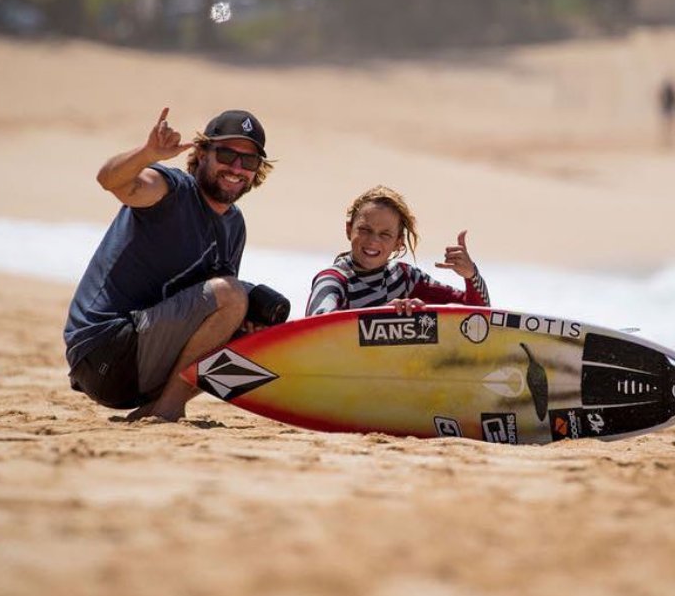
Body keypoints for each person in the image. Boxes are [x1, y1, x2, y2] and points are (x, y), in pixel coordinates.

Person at [63, 107, 274, 421]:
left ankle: (160, 403)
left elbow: (214, 322)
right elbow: (110, 180)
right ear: (202, 153)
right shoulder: (171, 190)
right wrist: (148, 153)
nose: (237, 168)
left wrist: (254, 332)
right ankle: (169, 407)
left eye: (249, 161)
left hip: (142, 373)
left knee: (265, 322)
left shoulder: (234, 226)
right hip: (104, 350)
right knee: (231, 295)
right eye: (227, 155)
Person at [306, 185, 490, 316]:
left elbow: (478, 317)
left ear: (398, 243)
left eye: (385, 234)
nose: (373, 241)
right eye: (365, 230)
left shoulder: (405, 278)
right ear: (349, 229)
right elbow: (315, 327)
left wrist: (471, 275)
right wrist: (383, 316)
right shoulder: (333, 280)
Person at [658, 76, 675, 146]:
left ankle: (668, 139)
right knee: (668, 125)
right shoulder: (668, 92)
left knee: (668, 125)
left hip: (668, 109)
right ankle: (668, 139)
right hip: (668, 109)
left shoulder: (668, 92)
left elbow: (674, 101)